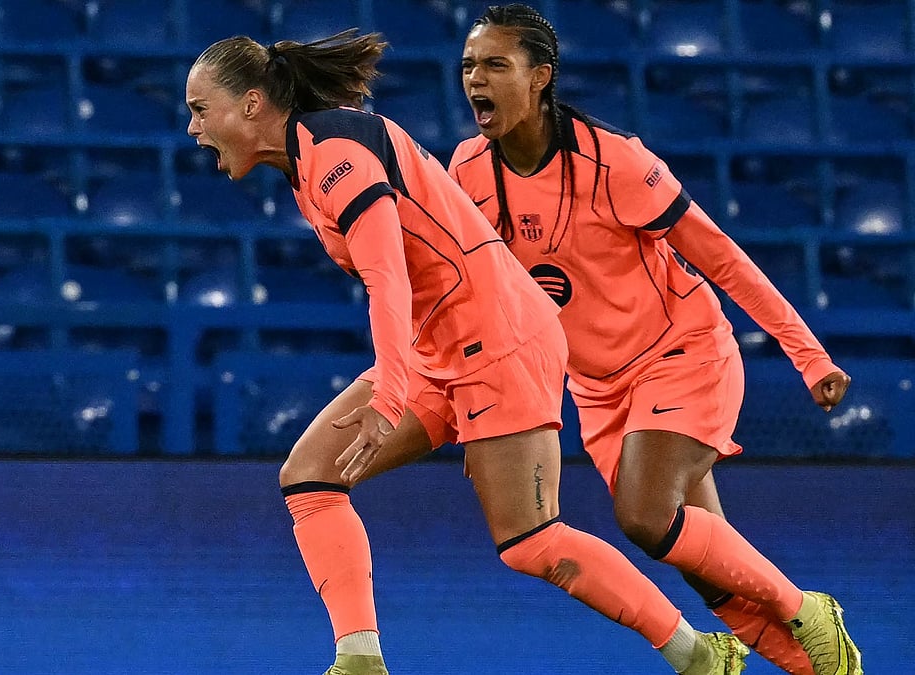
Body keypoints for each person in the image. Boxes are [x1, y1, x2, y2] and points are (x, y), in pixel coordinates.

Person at [185, 29, 750, 675]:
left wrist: (390, 397)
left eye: (201, 110)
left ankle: (701, 654)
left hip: (502, 340)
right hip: (441, 346)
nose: (194, 129)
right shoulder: (306, 162)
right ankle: (360, 659)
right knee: (310, 475)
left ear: (252, 103)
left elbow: (387, 278)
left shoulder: (337, 151)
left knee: (531, 541)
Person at [442, 5, 863, 675]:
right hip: (598, 388)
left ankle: (810, 610)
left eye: (496, 64)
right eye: (469, 65)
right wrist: (482, 418)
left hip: (682, 354)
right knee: (709, 567)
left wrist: (808, 354)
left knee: (644, 515)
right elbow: (480, 308)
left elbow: (721, 258)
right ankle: (827, 669)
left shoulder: (617, 163)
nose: (475, 80)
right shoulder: (465, 173)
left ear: (541, 76)